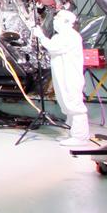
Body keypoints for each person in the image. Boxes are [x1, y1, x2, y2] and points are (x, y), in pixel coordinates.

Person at [33, 9, 89, 146]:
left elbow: (53, 48)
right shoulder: (59, 36)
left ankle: (80, 137)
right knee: (66, 105)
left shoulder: (71, 36)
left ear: (66, 22)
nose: (55, 21)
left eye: (57, 18)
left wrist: (41, 36)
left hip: (70, 76)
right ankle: (70, 133)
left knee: (74, 105)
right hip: (61, 76)